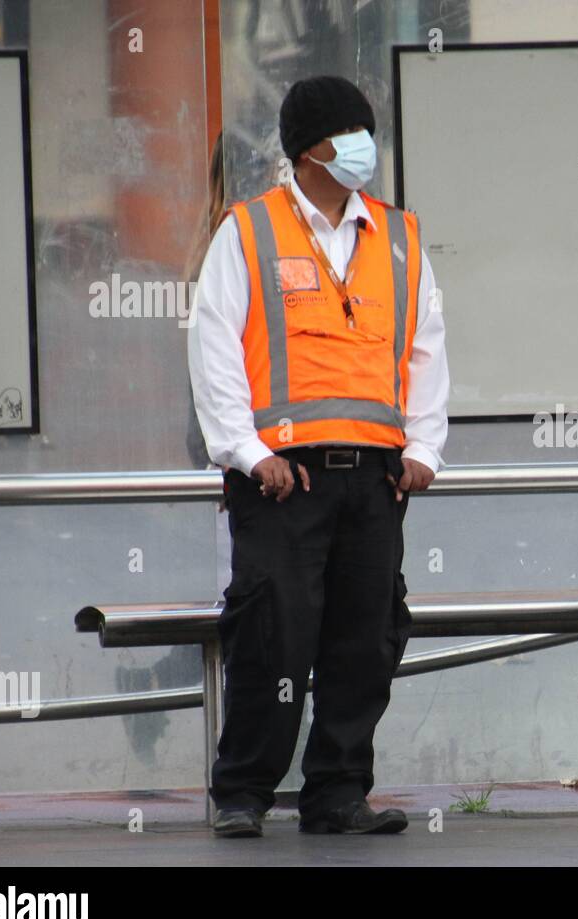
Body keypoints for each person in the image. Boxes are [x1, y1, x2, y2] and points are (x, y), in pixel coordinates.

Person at [187, 75, 449, 837]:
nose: (365, 146)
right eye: (349, 134)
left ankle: (337, 791)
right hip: (281, 479)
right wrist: (245, 450)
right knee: (272, 635)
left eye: (368, 132)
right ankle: (242, 792)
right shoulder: (251, 231)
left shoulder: (398, 236)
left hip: (375, 477)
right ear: (308, 150)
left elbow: (427, 350)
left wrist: (425, 448)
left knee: (364, 638)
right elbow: (215, 348)